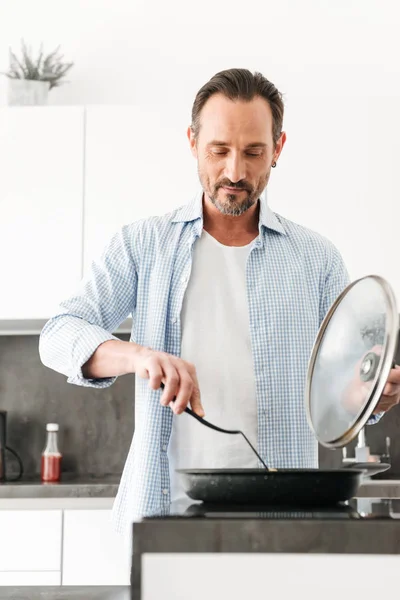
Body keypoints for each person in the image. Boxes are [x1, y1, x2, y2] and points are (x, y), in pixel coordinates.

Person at [39, 68, 400, 535]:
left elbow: (348, 388)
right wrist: (139, 356)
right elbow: (58, 334)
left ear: (279, 148)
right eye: (219, 150)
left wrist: (375, 395)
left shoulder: (317, 259)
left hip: (285, 521)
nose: (235, 172)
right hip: (163, 514)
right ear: (192, 142)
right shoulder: (142, 245)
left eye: (254, 152)